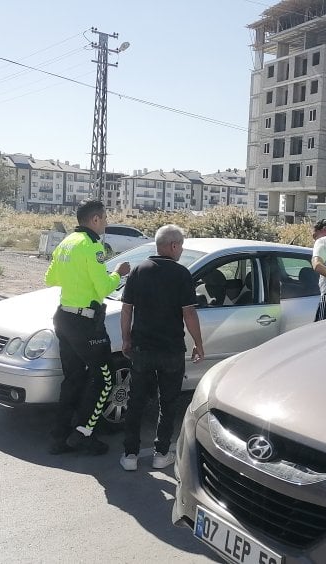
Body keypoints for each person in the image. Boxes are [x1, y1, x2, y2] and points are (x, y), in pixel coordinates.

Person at [44, 199, 130, 455]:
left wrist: (77, 280)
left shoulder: (66, 243)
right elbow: (104, 287)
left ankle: (59, 437)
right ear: (94, 219)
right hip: (85, 324)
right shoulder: (92, 245)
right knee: (105, 379)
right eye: (104, 218)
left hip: (64, 317)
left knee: (73, 378)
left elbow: (50, 278)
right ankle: (84, 433)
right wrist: (118, 272)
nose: (106, 222)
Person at [119, 224, 204, 471]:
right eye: (181, 246)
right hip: (171, 350)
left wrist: (126, 339)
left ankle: (130, 455)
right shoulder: (181, 274)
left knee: (136, 402)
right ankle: (160, 453)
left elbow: (127, 309)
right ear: (173, 246)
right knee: (168, 403)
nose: (181, 250)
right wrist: (198, 344)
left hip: (142, 349)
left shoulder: (138, 270)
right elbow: (189, 313)